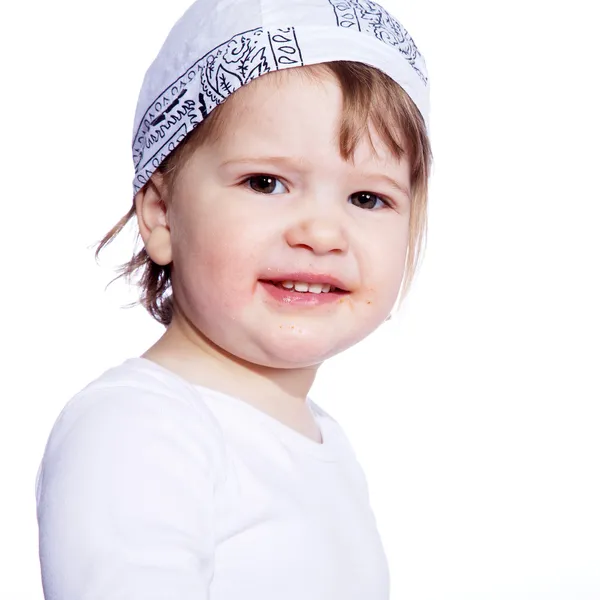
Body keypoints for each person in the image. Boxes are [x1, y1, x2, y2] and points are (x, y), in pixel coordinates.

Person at [35, 0, 432, 598]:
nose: (321, 234)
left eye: (367, 199)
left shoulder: (325, 444)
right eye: (266, 183)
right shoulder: (140, 428)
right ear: (162, 213)